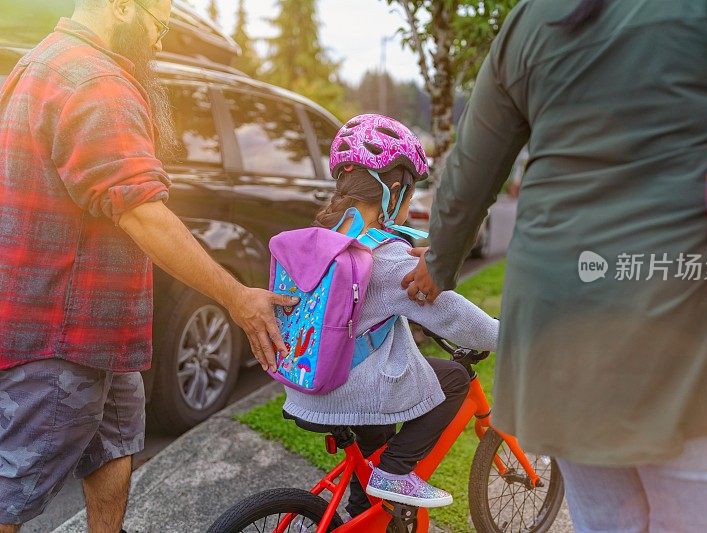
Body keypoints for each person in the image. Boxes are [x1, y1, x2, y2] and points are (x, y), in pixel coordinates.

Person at [402, 0, 707, 531]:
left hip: (559, 340)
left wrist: (437, 264)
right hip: (702, 335)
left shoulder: (532, 18)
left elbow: (467, 179)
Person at [0, 1, 296, 530]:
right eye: (158, 26)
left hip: (101, 335)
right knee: (12, 491)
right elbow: (142, 212)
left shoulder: (41, 61)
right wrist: (238, 298)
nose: (159, 43)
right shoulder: (97, 83)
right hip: (63, 339)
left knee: (112, 446)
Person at [280, 115, 498, 516]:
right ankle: (396, 472)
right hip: (349, 389)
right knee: (452, 379)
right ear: (393, 190)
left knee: (370, 465)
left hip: (306, 381)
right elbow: (452, 316)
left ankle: (368, 508)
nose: (409, 205)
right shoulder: (384, 255)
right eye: (411, 195)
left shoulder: (325, 234)